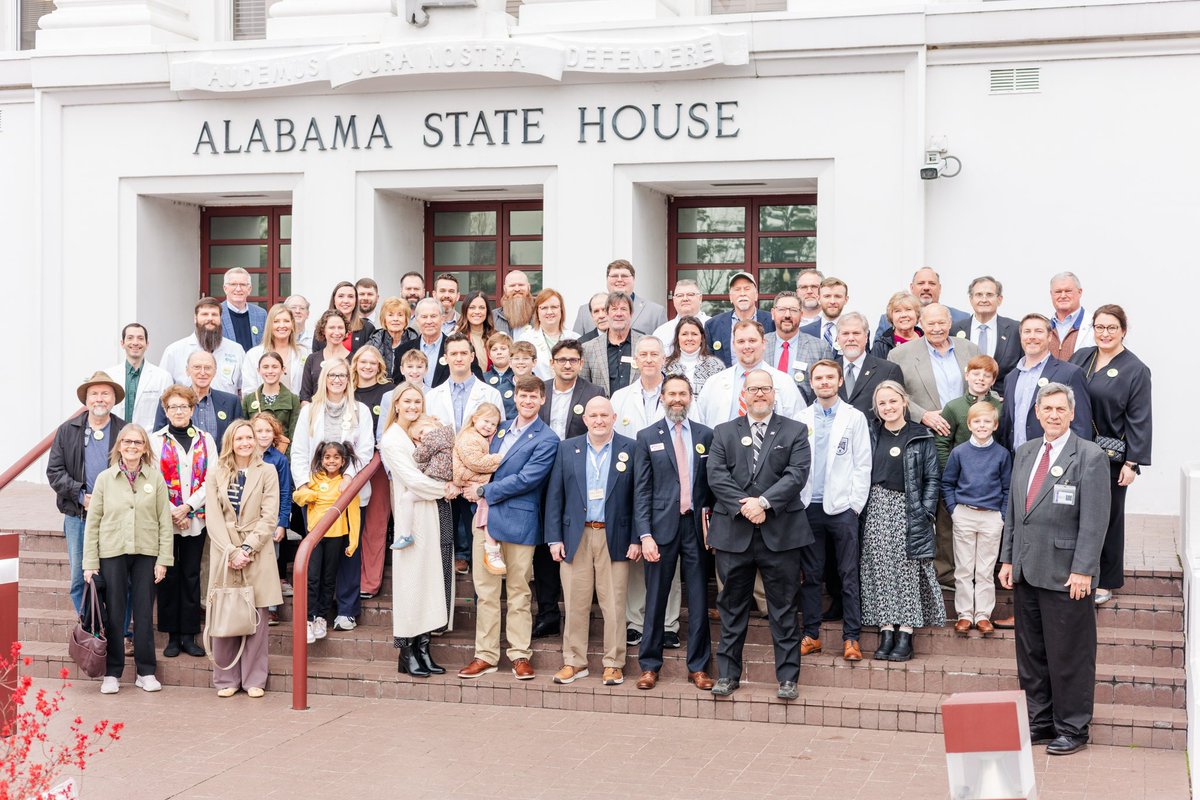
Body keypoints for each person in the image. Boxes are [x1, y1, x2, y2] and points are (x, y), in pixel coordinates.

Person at [999, 383, 1111, 756]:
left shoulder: (1090, 456)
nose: (1053, 415)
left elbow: (1095, 521)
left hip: (1067, 574)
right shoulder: (1026, 452)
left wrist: (1084, 570)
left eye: (1060, 409)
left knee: (1069, 654)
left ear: (1072, 413)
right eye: (1047, 409)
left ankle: (1073, 728)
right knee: (1032, 655)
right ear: (1036, 412)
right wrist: (1008, 557)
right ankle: (1040, 721)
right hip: (1028, 569)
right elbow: (1016, 511)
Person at [706, 369, 811, 699]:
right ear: (744, 395)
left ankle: (788, 678)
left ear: (774, 393)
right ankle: (727, 675)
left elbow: (797, 474)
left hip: (780, 533)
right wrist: (746, 506)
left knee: (782, 608)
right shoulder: (723, 432)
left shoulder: (794, 431)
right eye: (753, 389)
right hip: (733, 532)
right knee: (732, 608)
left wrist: (764, 502)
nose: (760, 394)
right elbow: (716, 476)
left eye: (765, 389)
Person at [458, 376, 560, 681]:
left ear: (542, 400)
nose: (527, 401)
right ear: (514, 398)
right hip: (486, 521)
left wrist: (483, 491)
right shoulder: (497, 429)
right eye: (522, 395)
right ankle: (486, 655)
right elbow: (477, 461)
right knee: (486, 592)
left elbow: (529, 479)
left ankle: (519, 654)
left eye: (533, 396)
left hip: (520, 521)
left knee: (518, 591)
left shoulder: (547, 438)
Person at [545, 396, 639, 687]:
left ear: (614, 417)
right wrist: (553, 538)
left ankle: (613, 663)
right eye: (593, 415)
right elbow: (554, 496)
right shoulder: (566, 449)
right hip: (576, 535)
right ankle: (574, 662)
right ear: (584, 419)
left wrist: (636, 538)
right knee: (575, 602)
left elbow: (639, 498)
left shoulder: (631, 448)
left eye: (604, 415)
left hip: (616, 536)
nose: (599, 420)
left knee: (614, 603)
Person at [632, 375, 716, 691]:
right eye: (671, 394)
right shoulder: (646, 436)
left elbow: (712, 486)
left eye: (682, 393)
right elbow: (641, 491)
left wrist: (714, 526)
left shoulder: (706, 435)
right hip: (660, 530)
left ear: (690, 397)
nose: (677, 399)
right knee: (655, 599)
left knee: (697, 599)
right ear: (662, 398)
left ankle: (698, 667)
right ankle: (649, 665)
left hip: (696, 528)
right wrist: (645, 535)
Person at [887, 303, 980, 587]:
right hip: (924, 435)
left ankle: (952, 570)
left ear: (950, 321)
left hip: (965, 436)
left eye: (942, 322)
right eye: (930, 324)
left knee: (956, 501)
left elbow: (981, 382)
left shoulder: (970, 349)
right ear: (920, 324)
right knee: (925, 501)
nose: (937, 328)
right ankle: (924, 570)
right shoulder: (900, 354)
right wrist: (924, 415)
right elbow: (895, 393)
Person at [1070, 304, 1152, 605]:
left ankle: (1105, 580)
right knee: (1075, 513)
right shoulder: (1082, 357)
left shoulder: (1135, 369)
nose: (1105, 333)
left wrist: (1132, 463)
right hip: (1076, 451)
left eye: (1111, 328)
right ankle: (1077, 571)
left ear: (1123, 331)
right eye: (1100, 327)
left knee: (1108, 517)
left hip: (1111, 458)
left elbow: (1140, 418)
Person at [81, 424, 171, 694]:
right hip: (112, 550)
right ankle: (112, 672)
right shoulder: (105, 479)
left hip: (146, 551)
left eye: (138, 442)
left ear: (145, 448)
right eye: (127, 442)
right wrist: (90, 563)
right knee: (115, 614)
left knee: (143, 612)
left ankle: (146, 671)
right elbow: (93, 522)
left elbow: (164, 521)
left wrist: (163, 558)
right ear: (119, 446)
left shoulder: (155, 479)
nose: (132, 446)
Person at [381, 384, 462, 677]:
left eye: (418, 401)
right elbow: (414, 481)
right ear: (397, 404)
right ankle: (407, 652)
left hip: (436, 512)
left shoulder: (423, 432)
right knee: (411, 584)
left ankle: (424, 647)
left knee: (432, 582)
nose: (413, 406)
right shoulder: (392, 439)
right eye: (408, 401)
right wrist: (445, 488)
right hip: (414, 517)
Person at [860, 381, 945, 663]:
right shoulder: (871, 433)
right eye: (882, 403)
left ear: (904, 401)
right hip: (876, 506)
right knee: (880, 568)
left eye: (893, 401)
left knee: (907, 570)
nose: (888, 407)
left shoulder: (921, 435)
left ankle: (905, 633)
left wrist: (927, 511)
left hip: (909, 507)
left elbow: (932, 478)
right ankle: (886, 631)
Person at [290, 359, 375, 630]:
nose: (337, 379)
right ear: (323, 379)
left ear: (349, 380)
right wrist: (304, 485)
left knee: (349, 551)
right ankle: (314, 614)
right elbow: (300, 451)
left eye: (342, 375)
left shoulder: (360, 410)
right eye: (332, 375)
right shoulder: (309, 411)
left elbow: (366, 451)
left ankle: (347, 609)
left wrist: (348, 478)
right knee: (317, 558)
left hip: (349, 494)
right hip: (317, 496)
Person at [796, 360, 872, 662]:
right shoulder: (800, 418)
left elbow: (862, 463)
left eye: (830, 377)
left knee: (847, 574)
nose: (824, 382)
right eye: (819, 378)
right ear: (811, 383)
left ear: (840, 381)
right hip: (808, 507)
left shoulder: (854, 418)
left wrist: (854, 505)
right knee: (811, 575)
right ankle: (812, 635)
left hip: (842, 508)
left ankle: (851, 638)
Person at [611, 337, 680, 649]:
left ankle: (668, 623)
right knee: (636, 550)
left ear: (664, 358)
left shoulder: (676, 393)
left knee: (668, 553)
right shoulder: (620, 396)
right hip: (630, 483)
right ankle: (636, 621)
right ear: (635, 360)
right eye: (644, 354)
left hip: (670, 484)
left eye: (655, 353)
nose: (649, 359)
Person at [205, 419, 282, 697]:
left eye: (249, 437)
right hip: (224, 550)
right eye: (240, 438)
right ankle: (226, 680)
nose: (245, 443)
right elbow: (212, 516)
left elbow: (269, 514)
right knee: (224, 613)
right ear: (231, 442)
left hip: (256, 552)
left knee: (256, 617)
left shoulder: (268, 471)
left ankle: (253, 680)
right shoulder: (216, 472)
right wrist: (231, 551)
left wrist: (247, 549)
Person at [532, 338, 603, 637]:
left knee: (573, 541)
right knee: (544, 543)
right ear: (552, 362)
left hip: (579, 477)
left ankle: (580, 613)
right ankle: (548, 612)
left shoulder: (593, 393)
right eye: (562, 359)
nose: (567, 364)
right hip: (541, 474)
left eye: (573, 360)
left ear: (581, 363)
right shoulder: (540, 390)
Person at [48, 373, 129, 614]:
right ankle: (90, 630)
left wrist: (110, 501)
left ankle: (119, 633)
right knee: (79, 577)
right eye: (94, 394)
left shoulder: (124, 430)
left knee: (118, 579)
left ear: (114, 399)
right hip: (78, 516)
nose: (99, 399)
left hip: (116, 518)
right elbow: (54, 471)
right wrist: (82, 497)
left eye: (105, 393)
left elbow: (136, 470)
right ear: (86, 399)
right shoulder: (67, 430)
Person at [425, 333, 505, 572]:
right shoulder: (432, 396)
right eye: (453, 354)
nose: (459, 358)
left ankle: (480, 561)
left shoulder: (490, 394)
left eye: (463, 353)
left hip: (477, 473)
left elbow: (497, 435)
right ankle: (458, 558)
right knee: (450, 523)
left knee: (477, 523)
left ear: (472, 356)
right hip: (446, 474)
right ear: (445, 358)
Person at [151, 384, 217, 659]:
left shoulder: (206, 439)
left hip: (196, 519)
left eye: (184, 406)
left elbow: (211, 478)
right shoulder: (155, 440)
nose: (179, 411)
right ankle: (172, 637)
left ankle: (189, 635)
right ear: (166, 411)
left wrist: (188, 506)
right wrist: (173, 510)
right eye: (173, 407)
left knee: (191, 575)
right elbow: (153, 480)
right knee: (168, 576)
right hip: (166, 519)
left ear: (192, 409)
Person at [942, 401, 1012, 636]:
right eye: (977, 421)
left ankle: (982, 615)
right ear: (969, 424)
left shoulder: (1001, 454)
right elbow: (948, 482)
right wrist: (954, 509)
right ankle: (964, 614)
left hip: (991, 517)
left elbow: (1007, 488)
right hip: (964, 514)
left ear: (995, 425)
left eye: (987, 422)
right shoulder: (959, 452)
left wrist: (1001, 515)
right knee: (963, 568)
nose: (982, 426)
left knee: (985, 569)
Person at [292, 441, 361, 644]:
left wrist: (354, 541)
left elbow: (354, 513)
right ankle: (308, 618)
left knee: (329, 578)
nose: (331, 461)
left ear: (343, 461)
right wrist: (313, 495)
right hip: (315, 537)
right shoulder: (314, 479)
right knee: (312, 578)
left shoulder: (346, 483)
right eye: (327, 457)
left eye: (336, 457)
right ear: (321, 460)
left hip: (337, 536)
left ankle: (321, 617)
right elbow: (298, 496)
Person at [999, 314, 1093, 452]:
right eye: (1027, 332)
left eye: (1038, 331)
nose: (1032, 336)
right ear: (1021, 337)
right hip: (1016, 461)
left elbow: (1081, 426)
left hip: (1054, 460)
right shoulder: (1011, 378)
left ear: (1050, 337)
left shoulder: (1070, 373)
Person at [695, 320, 803, 428]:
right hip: (725, 444)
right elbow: (700, 424)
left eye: (752, 340)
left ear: (763, 343)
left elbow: (797, 423)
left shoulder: (784, 381)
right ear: (733, 345)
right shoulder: (714, 382)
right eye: (741, 341)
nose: (747, 346)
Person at [349, 344, 391, 597]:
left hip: (378, 464)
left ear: (380, 366)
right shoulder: (347, 391)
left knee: (375, 524)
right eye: (362, 362)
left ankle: (369, 581)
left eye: (372, 363)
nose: (367, 366)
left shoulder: (389, 391)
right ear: (355, 365)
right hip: (348, 464)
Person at [249, 413, 292, 625]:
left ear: (274, 434)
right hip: (248, 519)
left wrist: (282, 523)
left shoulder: (279, 460)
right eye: (259, 431)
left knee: (270, 563)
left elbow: (285, 493)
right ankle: (249, 605)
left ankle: (271, 607)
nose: (264, 435)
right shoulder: (244, 456)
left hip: (271, 519)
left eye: (268, 431)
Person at [453, 403, 505, 574]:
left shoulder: (480, 437)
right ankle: (491, 552)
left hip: (473, 483)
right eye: (486, 421)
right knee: (479, 522)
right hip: (469, 482)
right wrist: (503, 459)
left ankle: (490, 554)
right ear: (475, 418)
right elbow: (476, 463)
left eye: (493, 424)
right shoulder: (470, 437)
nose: (489, 427)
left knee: (482, 519)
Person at [153, 352, 242, 446]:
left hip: (220, 460)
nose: (202, 372)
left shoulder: (232, 402)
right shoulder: (170, 401)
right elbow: (158, 440)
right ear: (187, 370)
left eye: (208, 368)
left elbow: (240, 438)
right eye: (197, 367)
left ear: (215, 372)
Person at [160, 297, 246, 395]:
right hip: (187, 409)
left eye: (214, 314)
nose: (210, 318)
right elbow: (164, 390)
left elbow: (243, 389)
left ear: (220, 319)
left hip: (227, 409)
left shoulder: (236, 350)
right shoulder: (174, 351)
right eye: (205, 314)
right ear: (195, 319)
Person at [765, 290, 835, 404]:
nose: (787, 315)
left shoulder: (820, 347)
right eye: (782, 309)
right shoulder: (760, 345)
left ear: (801, 315)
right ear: (773, 313)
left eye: (793, 310)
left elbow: (828, 389)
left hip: (804, 416)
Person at [936, 355, 1003, 468]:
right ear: (967, 376)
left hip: (992, 470)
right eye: (976, 374)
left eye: (987, 376)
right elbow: (941, 443)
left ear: (993, 381)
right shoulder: (953, 407)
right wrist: (949, 471)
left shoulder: (1000, 407)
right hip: (961, 472)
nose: (980, 378)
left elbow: (1002, 440)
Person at [572, 259, 667, 336]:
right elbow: (575, 347)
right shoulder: (584, 311)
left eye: (624, 276)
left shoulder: (655, 312)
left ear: (633, 279)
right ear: (607, 279)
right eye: (614, 276)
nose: (619, 280)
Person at [835, 312, 904, 419]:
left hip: (874, 434)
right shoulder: (828, 371)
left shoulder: (888, 370)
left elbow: (900, 414)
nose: (851, 338)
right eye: (845, 334)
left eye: (856, 333)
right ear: (838, 339)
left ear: (866, 337)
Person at [950, 276, 1021, 378]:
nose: (984, 300)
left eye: (989, 295)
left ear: (999, 299)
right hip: (964, 392)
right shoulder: (954, 330)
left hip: (1002, 393)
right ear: (971, 299)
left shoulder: (1015, 329)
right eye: (979, 295)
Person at [108, 323, 172, 431]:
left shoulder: (163, 377)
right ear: (122, 343)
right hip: (116, 440)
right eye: (130, 338)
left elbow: (169, 414)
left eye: (140, 338)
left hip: (149, 441)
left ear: (147, 344)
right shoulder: (109, 376)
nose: (135, 342)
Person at [704, 271, 774, 367]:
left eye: (747, 289)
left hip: (763, 380)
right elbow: (709, 363)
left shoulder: (772, 321)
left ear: (756, 295)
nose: (742, 293)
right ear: (730, 297)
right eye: (737, 289)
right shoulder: (713, 325)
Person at [580, 292, 642, 397]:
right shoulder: (588, 348)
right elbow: (583, 387)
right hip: (602, 411)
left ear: (631, 314)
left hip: (636, 411)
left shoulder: (644, 344)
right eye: (614, 309)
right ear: (607, 314)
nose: (619, 314)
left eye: (623, 309)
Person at [876, 267, 970, 333]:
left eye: (932, 283)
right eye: (921, 283)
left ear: (940, 288)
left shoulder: (962, 318)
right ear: (912, 287)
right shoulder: (888, 320)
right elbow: (877, 357)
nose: (926, 287)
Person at [241, 304, 308, 395]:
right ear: (270, 325)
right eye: (276, 321)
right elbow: (248, 391)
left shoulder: (304, 353)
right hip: (262, 408)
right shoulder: (254, 354)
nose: (282, 325)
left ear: (292, 324)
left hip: (296, 408)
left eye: (286, 321)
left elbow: (308, 389)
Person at [517, 288, 579, 380]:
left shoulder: (576, 339)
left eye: (554, 307)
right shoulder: (525, 339)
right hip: (536, 391)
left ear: (561, 310)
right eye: (544, 308)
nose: (549, 312)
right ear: (537, 312)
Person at [242, 352, 300, 444]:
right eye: (265, 367)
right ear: (258, 370)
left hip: (283, 455)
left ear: (283, 369)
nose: (270, 371)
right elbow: (244, 432)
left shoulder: (293, 399)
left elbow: (295, 435)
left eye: (274, 367)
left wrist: (284, 457)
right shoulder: (249, 400)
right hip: (256, 455)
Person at [398, 298, 453, 389]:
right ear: (416, 320)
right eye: (424, 317)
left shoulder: (455, 349)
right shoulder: (403, 350)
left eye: (433, 316)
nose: (429, 321)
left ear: (442, 319)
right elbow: (398, 384)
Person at [663, 316, 725, 395]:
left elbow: (721, 397)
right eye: (684, 334)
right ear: (677, 337)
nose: (689, 338)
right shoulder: (665, 366)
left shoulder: (716, 366)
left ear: (702, 338)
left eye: (694, 334)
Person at [299, 310, 351, 403]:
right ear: (323, 330)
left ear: (346, 330)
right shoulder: (312, 359)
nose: (337, 332)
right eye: (332, 327)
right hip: (316, 413)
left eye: (340, 327)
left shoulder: (354, 360)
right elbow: (305, 396)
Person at [651, 279, 710, 354]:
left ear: (700, 298)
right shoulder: (661, 332)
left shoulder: (715, 328)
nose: (685, 299)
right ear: (674, 300)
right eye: (680, 295)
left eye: (690, 294)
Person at [316, 281, 376, 354]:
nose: (346, 301)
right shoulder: (322, 326)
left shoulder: (367, 328)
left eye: (350, 296)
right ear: (334, 300)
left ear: (356, 301)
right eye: (341, 296)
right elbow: (316, 359)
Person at [367, 296, 418, 383]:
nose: (395, 319)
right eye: (390, 315)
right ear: (384, 319)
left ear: (406, 319)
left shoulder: (414, 340)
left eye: (400, 315)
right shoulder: (375, 340)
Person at [1048, 271, 1094, 361]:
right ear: (1051, 294)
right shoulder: (1045, 327)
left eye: (1068, 291)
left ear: (1080, 292)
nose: (1063, 296)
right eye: (1058, 292)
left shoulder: (1095, 325)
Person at [219, 268, 267, 352]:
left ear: (249, 289)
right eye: (233, 284)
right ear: (225, 288)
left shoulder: (261, 314)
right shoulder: (217, 313)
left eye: (243, 284)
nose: (238, 289)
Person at [799, 276, 852, 349]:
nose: (832, 301)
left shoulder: (857, 332)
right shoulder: (803, 332)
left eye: (837, 296)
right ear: (818, 299)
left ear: (846, 300)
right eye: (827, 296)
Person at [871, 292, 923, 359]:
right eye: (898, 311)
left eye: (908, 309)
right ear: (891, 316)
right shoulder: (881, 345)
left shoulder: (928, 339)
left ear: (917, 314)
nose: (904, 315)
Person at [455, 290, 496, 372]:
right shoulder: (456, 337)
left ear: (487, 311)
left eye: (481, 308)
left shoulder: (496, 337)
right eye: (472, 307)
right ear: (465, 310)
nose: (477, 312)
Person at [492, 269, 534, 338]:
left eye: (521, 285)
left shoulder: (539, 315)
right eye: (512, 286)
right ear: (505, 289)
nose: (517, 289)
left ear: (529, 287)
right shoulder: (493, 317)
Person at [483, 332, 516, 419]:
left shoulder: (517, 377)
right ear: (489, 355)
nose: (499, 352)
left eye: (503, 348)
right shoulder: (482, 378)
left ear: (511, 352)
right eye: (494, 349)